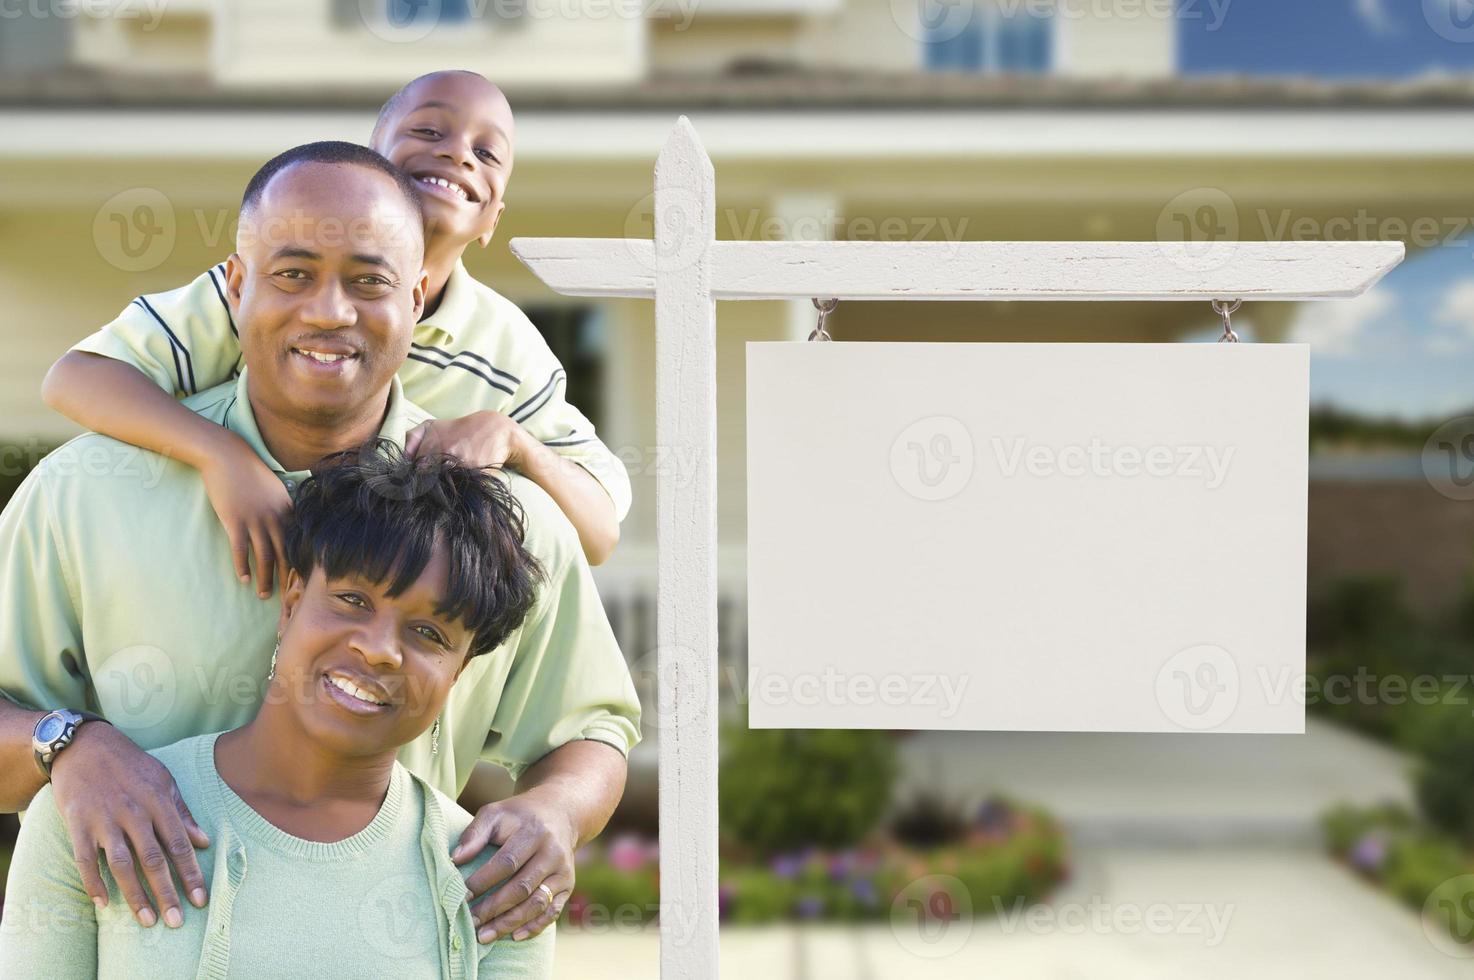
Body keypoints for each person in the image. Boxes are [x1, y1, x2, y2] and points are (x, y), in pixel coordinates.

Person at [0, 141, 638, 949]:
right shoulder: (82, 493)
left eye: (369, 281)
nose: (330, 312)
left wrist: (553, 812)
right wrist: (68, 746)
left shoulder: (506, 524)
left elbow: (590, 730)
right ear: (237, 288)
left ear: (416, 296)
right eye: (293, 273)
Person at [42, 69, 628, 590]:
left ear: (492, 220)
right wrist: (220, 455)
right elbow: (75, 378)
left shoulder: (507, 347)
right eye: (428, 132)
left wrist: (515, 441)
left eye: (487, 151)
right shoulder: (270, 292)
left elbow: (598, 534)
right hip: (213, 570)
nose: (458, 155)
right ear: (368, 161)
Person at [0, 443, 554, 979]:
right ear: (291, 603)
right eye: (353, 600)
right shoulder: (96, 813)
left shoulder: (496, 879)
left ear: (457, 674)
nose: (380, 648)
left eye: (429, 632)